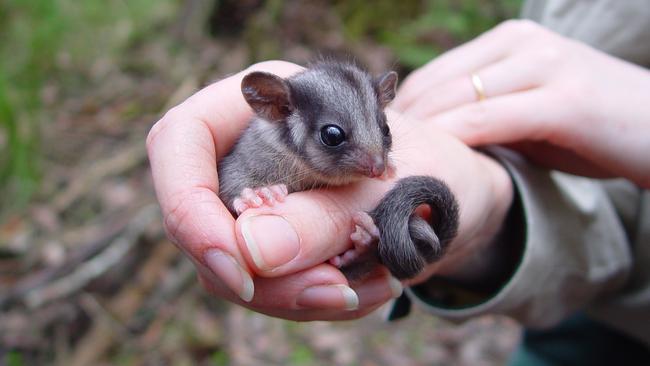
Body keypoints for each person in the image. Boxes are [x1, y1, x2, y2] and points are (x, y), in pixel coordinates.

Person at [146, 3, 650, 365]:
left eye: (383, 132)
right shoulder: (265, 144)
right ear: (277, 110)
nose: (374, 161)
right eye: (336, 136)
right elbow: (606, 208)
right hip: (588, 324)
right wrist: (495, 207)